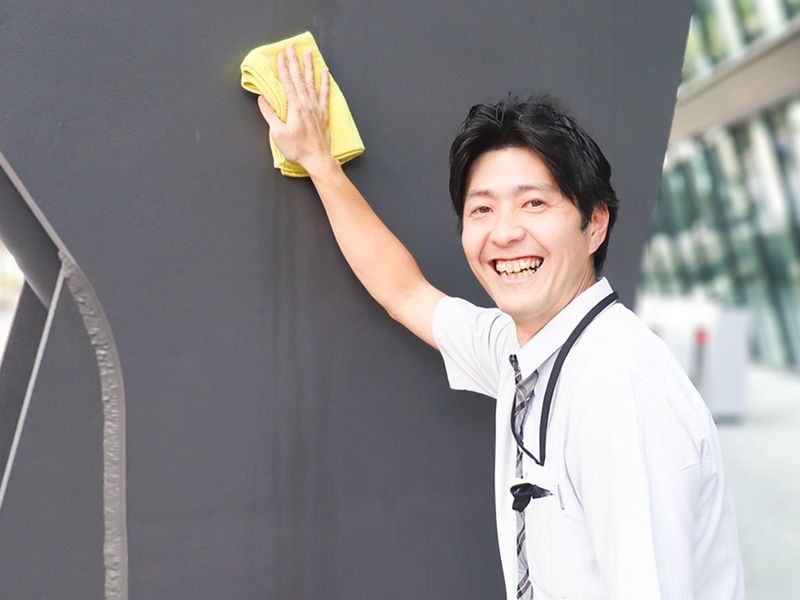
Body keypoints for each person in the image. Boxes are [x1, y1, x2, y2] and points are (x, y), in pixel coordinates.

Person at [256, 44, 745, 600]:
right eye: (482, 209)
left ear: (595, 224)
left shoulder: (616, 388)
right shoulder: (526, 348)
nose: (505, 232)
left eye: (534, 204)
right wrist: (320, 164)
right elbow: (406, 293)